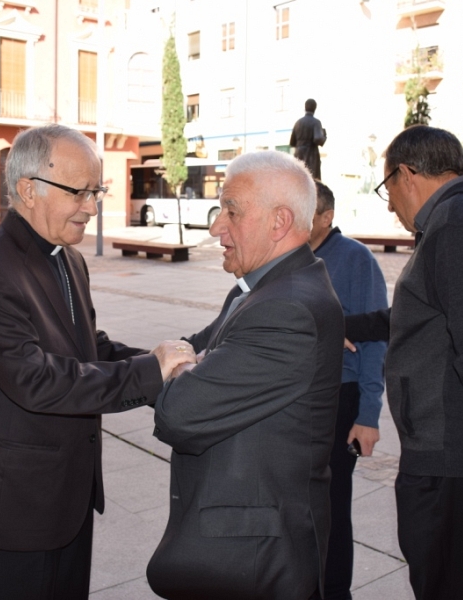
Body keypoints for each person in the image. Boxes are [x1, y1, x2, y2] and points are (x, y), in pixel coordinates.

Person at [0, 124, 195, 600]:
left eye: (96, 190)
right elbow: (34, 379)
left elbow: (87, 347)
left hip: (65, 499)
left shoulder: (67, 258)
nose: (93, 207)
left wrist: (166, 364)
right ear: (27, 190)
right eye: (79, 192)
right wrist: (147, 372)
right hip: (10, 509)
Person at [146, 151, 345, 600]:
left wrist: (187, 373)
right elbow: (187, 349)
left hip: (253, 561)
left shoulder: (286, 307)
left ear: (279, 222)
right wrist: (188, 366)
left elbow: (179, 413)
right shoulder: (266, 288)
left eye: (231, 211)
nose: (217, 226)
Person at [346, 125, 463, 600]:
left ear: (405, 174)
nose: (390, 204)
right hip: (444, 453)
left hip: (452, 460)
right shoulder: (451, 221)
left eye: (387, 189)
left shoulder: (457, 222)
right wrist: (351, 327)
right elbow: (429, 313)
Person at [309, 180, 388, 600]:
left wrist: (368, 415)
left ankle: (336, 591)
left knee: (333, 507)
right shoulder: (291, 257)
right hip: (298, 401)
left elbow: (376, 339)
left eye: (309, 213)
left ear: (327, 217)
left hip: (342, 399)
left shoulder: (355, 260)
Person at [290, 98, 327, 179]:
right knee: (311, 181)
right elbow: (318, 139)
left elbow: (292, 142)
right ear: (315, 108)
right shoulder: (316, 122)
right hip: (311, 156)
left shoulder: (298, 122)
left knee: (298, 181)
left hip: (298, 156)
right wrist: (324, 136)